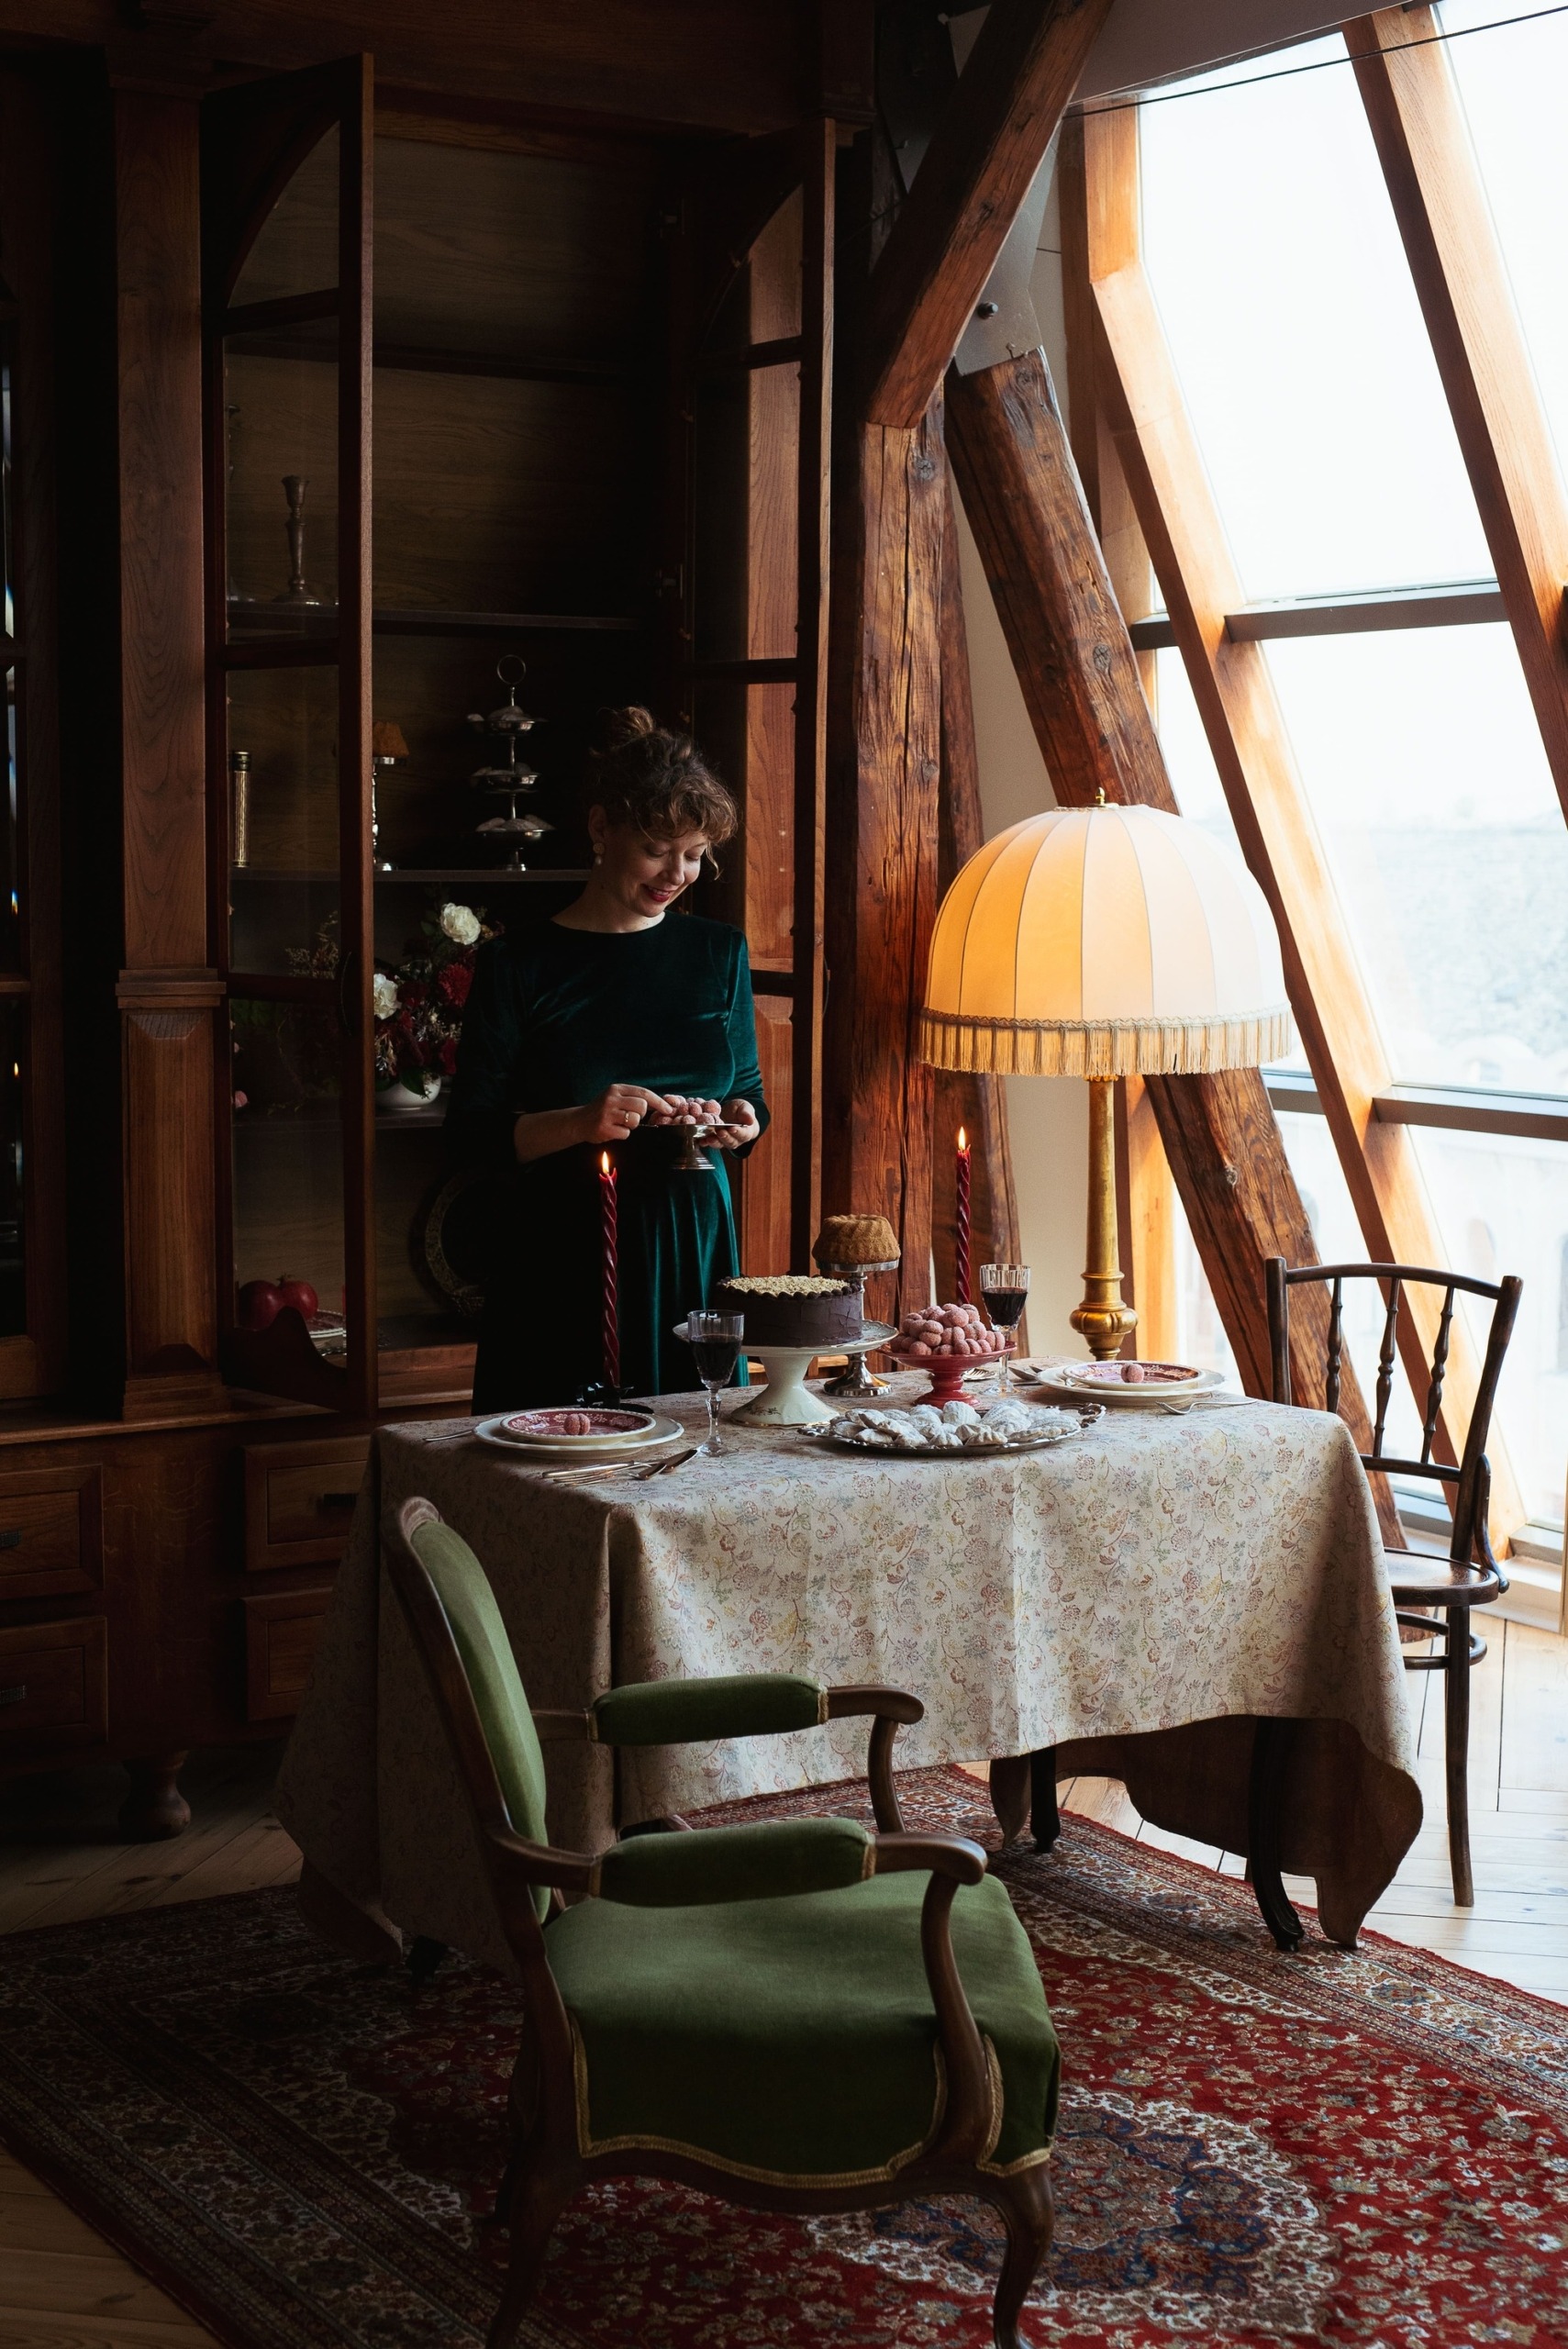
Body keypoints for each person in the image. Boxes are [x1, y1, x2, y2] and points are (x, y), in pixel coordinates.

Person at [444, 707, 768, 1408]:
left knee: (698, 1442)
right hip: (566, 1252)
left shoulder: (717, 952)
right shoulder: (518, 962)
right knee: (564, 1451)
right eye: (657, 848)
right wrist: (580, 1121)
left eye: (694, 853)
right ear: (600, 828)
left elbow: (747, 1092)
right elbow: (470, 1132)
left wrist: (741, 1122)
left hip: (693, 1242)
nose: (677, 872)